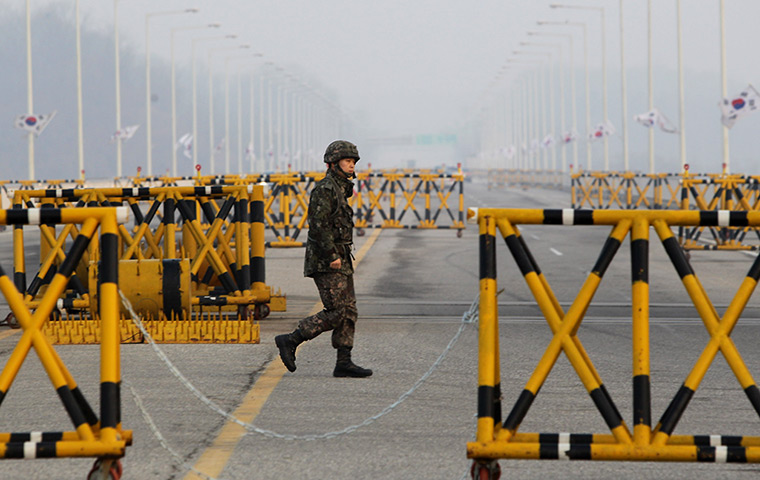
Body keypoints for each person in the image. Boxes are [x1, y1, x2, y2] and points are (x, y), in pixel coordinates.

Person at [275, 140, 373, 378]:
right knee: (337, 311)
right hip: (326, 260)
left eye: (353, 162)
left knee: (349, 311)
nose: (351, 166)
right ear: (333, 163)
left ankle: (344, 361)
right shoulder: (325, 189)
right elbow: (318, 226)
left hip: (341, 257)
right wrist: (331, 256)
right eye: (347, 161)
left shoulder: (340, 189)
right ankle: (291, 339)